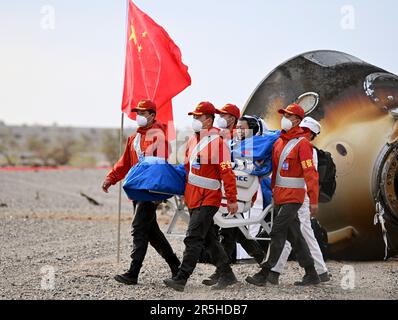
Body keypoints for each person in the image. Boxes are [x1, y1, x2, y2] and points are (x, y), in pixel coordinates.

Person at [102, 99, 180, 285]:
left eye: (143, 113)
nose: (139, 116)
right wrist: (110, 178)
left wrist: (157, 196)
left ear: (152, 115)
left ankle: (133, 273)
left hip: (149, 192)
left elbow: (160, 168)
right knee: (151, 232)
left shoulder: (159, 136)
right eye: (138, 113)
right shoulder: (134, 138)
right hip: (137, 191)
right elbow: (124, 163)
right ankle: (176, 266)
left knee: (138, 228)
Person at [163, 101, 238, 292]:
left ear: (209, 120)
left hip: (209, 198)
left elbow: (227, 174)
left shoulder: (219, 144)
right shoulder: (192, 140)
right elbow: (188, 170)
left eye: (198, 117)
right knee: (209, 239)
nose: (194, 120)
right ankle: (227, 275)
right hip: (193, 197)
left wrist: (231, 199)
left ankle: (181, 278)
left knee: (193, 237)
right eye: (194, 117)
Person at [246, 103, 321, 286]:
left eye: (288, 115)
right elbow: (275, 170)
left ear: (297, 120)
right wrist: (272, 193)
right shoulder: (279, 142)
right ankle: (311, 273)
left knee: (278, 231)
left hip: (294, 197)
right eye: (284, 115)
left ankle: (265, 272)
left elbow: (310, 174)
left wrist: (313, 200)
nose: (284, 118)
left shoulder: (303, 145)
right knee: (295, 236)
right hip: (279, 196)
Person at [202, 109, 268, 287]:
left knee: (229, 230)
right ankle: (264, 264)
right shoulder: (234, 144)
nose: (238, 130)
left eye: (242, 127)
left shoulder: (254, 147)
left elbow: (249, 169)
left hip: (241, 193)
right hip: (232, 192)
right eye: (237, 127)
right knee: (236, 231)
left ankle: (223, 273)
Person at [270, 117, 330, 283]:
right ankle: (318, 271)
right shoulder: (293, 145)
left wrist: (312, 200)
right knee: (294, 232)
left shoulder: (307, 149)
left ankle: (275, 271)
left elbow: (311, 176)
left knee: (298, 232)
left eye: (303, 130)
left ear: (309, 134)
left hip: (299, 197)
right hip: (292, 195)